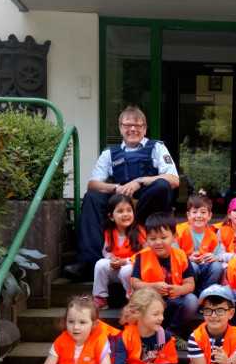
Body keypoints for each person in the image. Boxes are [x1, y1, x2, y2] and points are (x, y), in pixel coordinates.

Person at [65, 106, 179, 280]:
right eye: (127, 125)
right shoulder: (109, 153)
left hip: (146, 205)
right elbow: (93, 184)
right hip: (121, 201)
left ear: (145, 128)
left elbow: (174, 179)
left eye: (138, 125)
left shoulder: (157, 147)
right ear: (120, 127)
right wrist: (116, 188)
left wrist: (139, 182)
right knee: (92, 197)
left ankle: (137, 229)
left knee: (162, 185)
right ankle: (89, 262)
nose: (132, 129)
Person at [130, 212, 198, 337]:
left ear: (174, 237)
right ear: (146, 239)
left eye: (163, 237)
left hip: (174, 300)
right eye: (153, 239)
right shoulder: (142, 256)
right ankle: (150, 334)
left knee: (192, 300)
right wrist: (152, 286)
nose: (158, 242)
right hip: (150, 300)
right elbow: (134, 282)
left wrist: (179, 289)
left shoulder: (181, 255)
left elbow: (190, 284)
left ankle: (172, 334)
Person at [92, 194, 145, 308]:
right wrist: (111, 259)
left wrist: (125, 261)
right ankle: (100, 298)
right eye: (120, 211)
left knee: (127, 270)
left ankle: (133, 299)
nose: (125, 214)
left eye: (129, 210)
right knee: (100, 264)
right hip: (115, 268)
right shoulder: (109, 232)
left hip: (132, 269)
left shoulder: (139, 231)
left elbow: (144, 254)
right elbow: (106, 251)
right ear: (111, 216)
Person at [175, 194, 224, 294]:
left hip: (206, 269)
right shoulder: (179, 231)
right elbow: (173, 253)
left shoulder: (213, 235)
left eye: (203, 212)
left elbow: (221, 254)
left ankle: (205, 294)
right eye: (194, 212)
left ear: (209, 216)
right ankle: (191, 293)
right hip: (186, 271)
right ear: (188, 215)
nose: (199, 216)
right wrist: (188, 259)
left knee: (217, 267)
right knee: (193, 266)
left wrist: (215, 257)